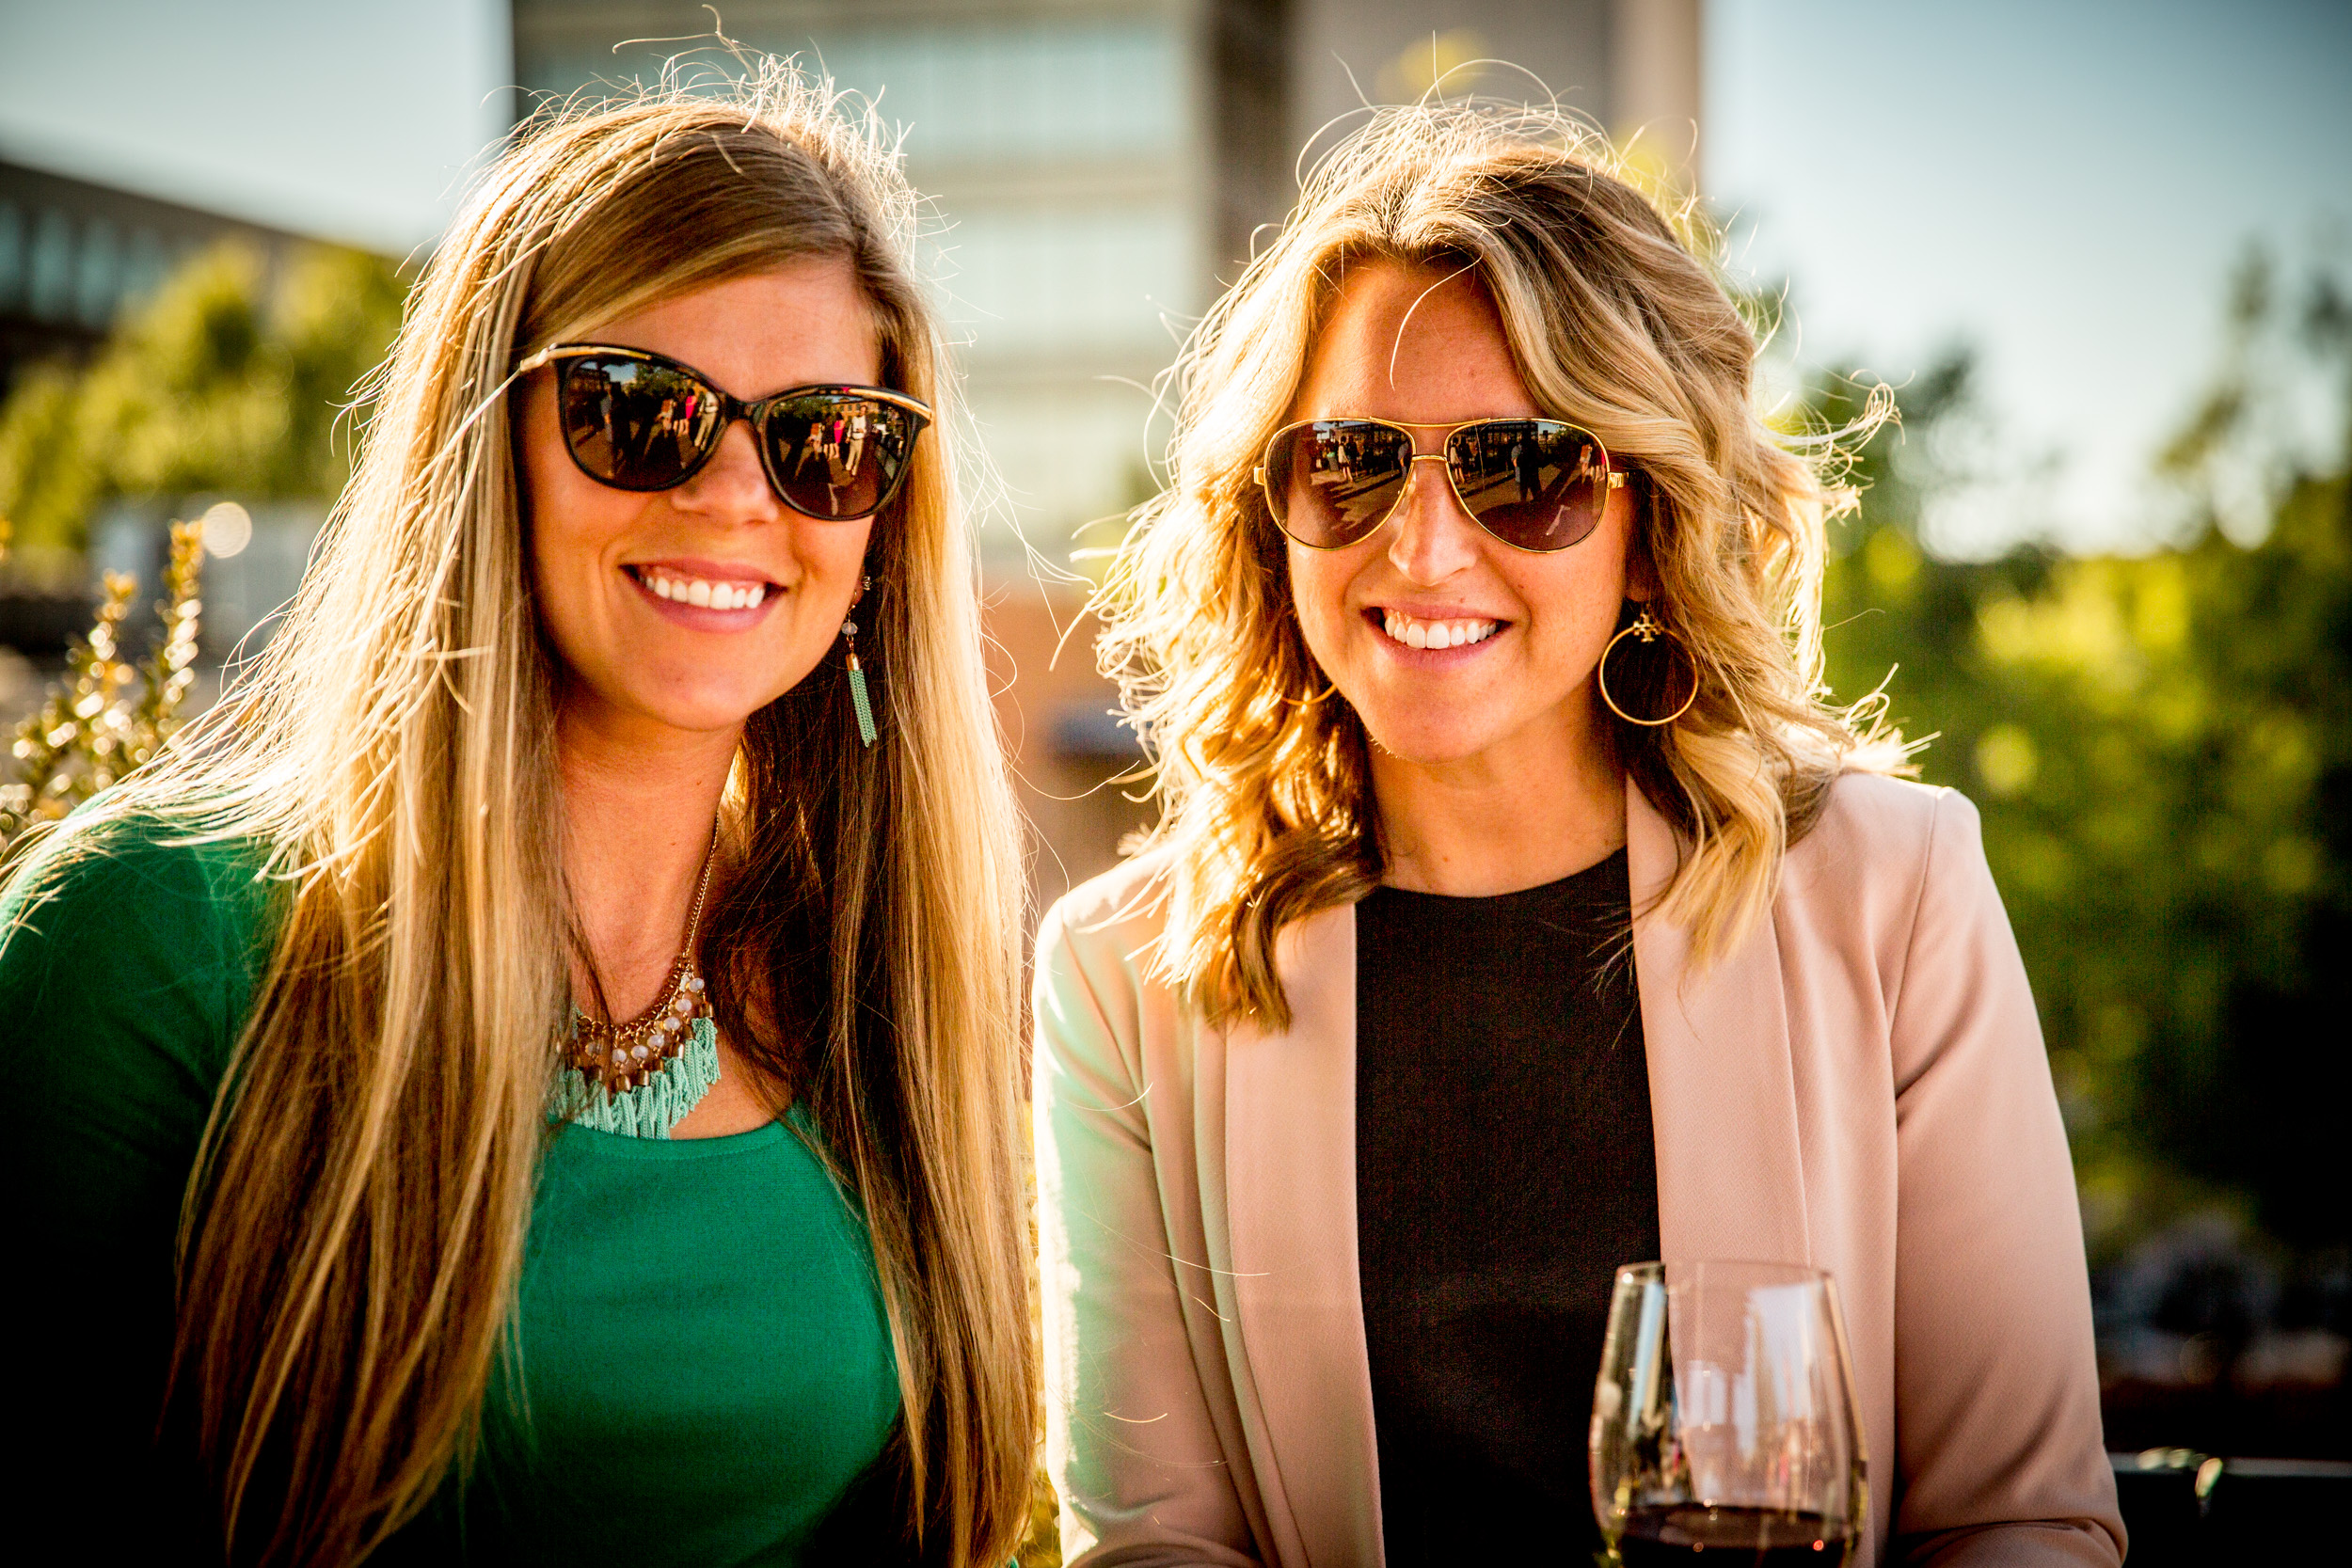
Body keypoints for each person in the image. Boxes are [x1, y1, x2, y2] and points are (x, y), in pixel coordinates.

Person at [1031, 103, 2125, 1567]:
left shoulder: (1894, 894)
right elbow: (1155, 1546)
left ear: (1650, 523)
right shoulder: (1121, 977)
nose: (1422, 546)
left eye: (1524, 469)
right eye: (1350, 461)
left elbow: (2024, 1521)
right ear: (1271, 512)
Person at [9, 73, 1034, 1567]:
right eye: (642, 412)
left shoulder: (884, 987)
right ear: (488, 445)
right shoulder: (150, 944)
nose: (737, 494)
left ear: (880, 526)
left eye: (824, 439)